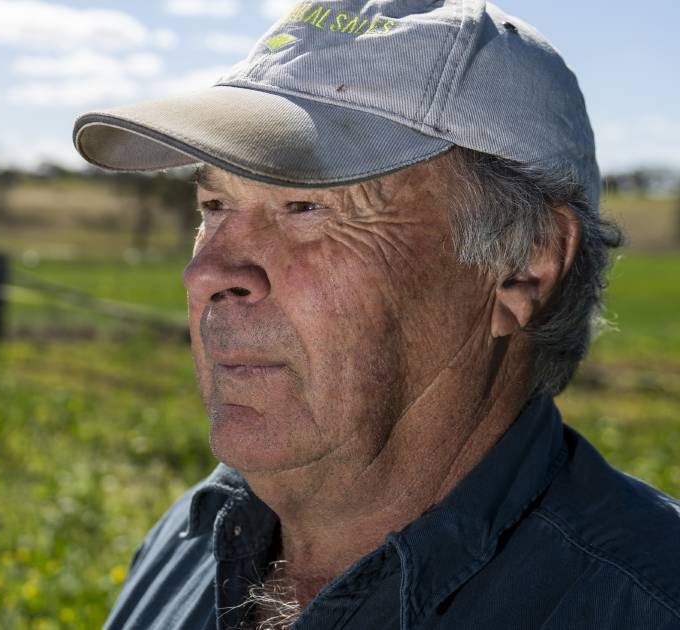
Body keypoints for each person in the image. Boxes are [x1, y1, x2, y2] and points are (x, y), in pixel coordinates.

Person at [70, 1, 680, 629]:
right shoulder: (187, 541)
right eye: (216, 203)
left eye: (305, 208)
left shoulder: (643, 605)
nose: (207, 274)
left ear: (525, 265)